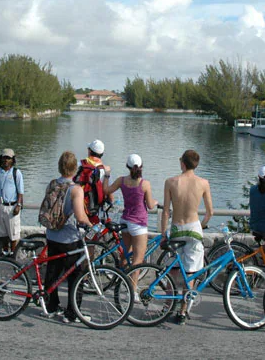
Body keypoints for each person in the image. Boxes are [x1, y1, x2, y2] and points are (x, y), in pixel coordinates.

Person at [160, 149, 213, 325]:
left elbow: (166, 211)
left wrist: (163, 233)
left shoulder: (171, 182)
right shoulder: (203, 183)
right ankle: (182, 312)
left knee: (172, 270)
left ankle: (167, 306)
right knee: (189, 273)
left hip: (177, 228)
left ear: (182, 163)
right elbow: (210, 212)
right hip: (194, 227)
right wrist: (202, 225)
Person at [43, 151, 93, 323]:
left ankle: (50, 306)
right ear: (75, 169)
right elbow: (80, 216)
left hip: (52, 235)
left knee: (53, 271)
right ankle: (72, 313)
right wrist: (91, 224)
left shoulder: (52, 184)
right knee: (76, 275)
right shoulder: (75, 189)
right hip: (69, 239)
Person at [103, 153, 158, 297]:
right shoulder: (144, 184)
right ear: (141, 167)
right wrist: (156, 202)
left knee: (125, 256)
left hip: (125, 221)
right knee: (138, 261)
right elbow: (151, 205)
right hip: (138, 224)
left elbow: (106, 190)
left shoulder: (121, 181)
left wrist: (107, 175)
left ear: (127, 166)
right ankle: (132, 292)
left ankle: (121, 284)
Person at [0, 148, 24, 255]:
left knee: (13, 232)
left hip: (12, 206)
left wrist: (19, 205)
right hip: (0, 205)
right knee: (2, 232)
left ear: (12, 160)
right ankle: (5, 251)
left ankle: (13, 253)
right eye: (4, 158)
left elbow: (20, 192)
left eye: (8, 158)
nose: (6, 160)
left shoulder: (16, 173)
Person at [73, 139, 109, 225]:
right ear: (102, 154)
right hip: (95, 211)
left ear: (89, 151)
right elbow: (109, 193)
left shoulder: (79, 165)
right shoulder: (105, 170)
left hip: (77, 208)